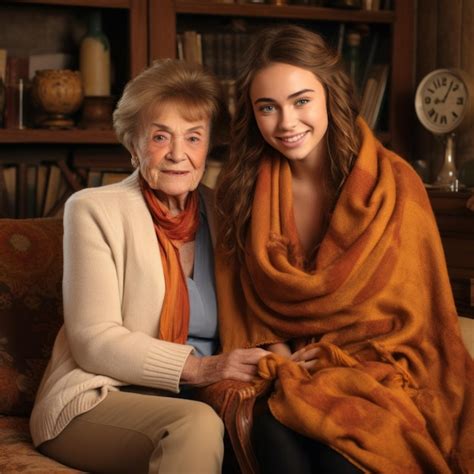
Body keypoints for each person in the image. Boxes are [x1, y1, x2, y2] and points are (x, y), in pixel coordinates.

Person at [215, 25, 473, 474]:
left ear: (329, 94)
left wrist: (342, 363)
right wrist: (282, 358)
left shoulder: (393, 185)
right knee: (273, 431)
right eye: (267, 108)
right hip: (286, 369)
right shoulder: (239, 190)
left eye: (301, 101)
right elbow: (241, 300)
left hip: (384, 370)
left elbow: (421, 319)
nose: (287, 123)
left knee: (348, 452)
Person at [30, 59, 269, 474]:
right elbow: (93, 340)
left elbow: (263, 311)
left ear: (208, 145)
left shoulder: (227, 214)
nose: (178, 154)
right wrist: (201, 367)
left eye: (193, 137)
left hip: (202, 397)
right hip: (101, 397)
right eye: (161, 137)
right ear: (133, 143)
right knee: (196, 426)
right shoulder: (93, 209)